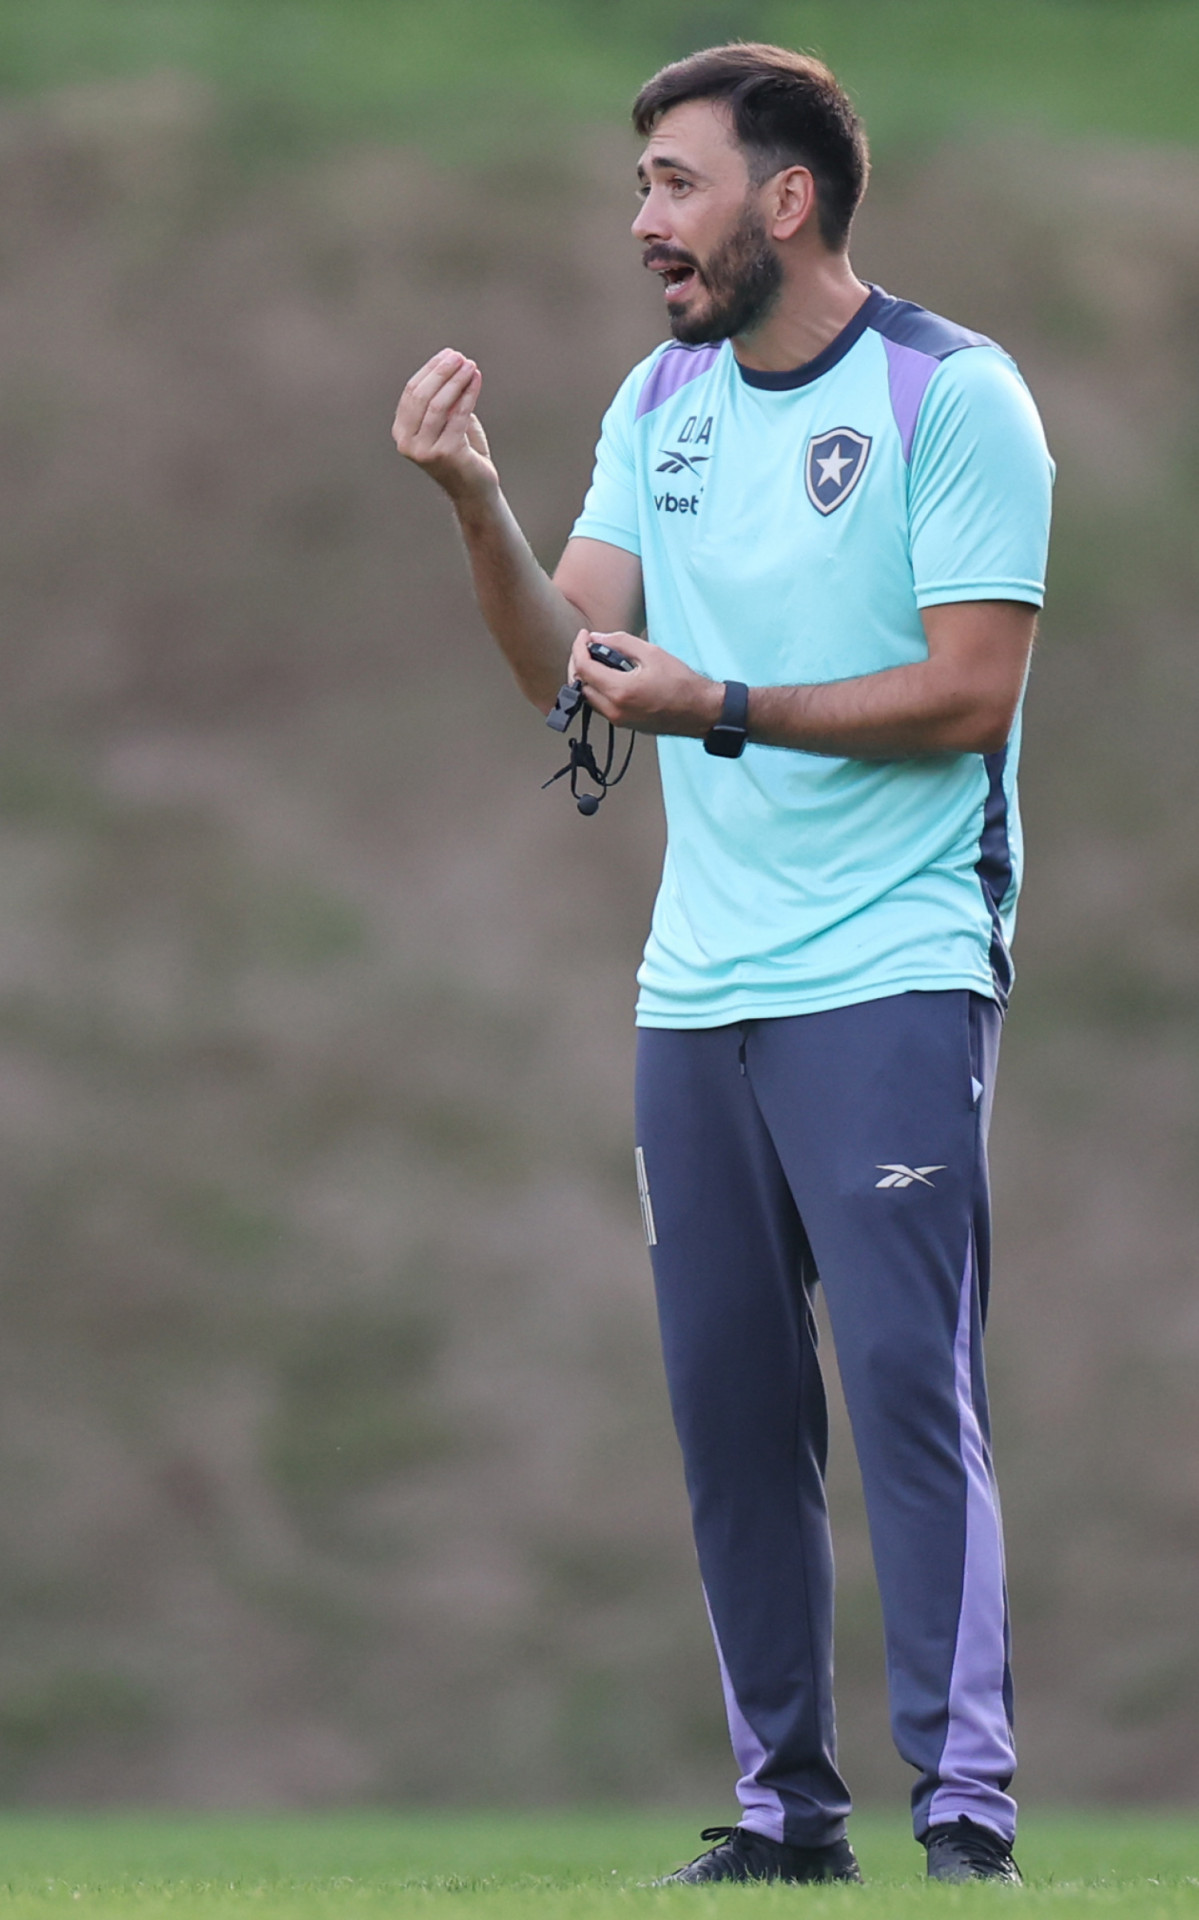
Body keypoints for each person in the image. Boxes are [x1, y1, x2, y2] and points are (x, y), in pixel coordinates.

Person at [392, 41, 1052, 1888]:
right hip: (702, 992)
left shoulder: (955, 396)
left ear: (789, 197)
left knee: (915, 1388)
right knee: (731, 1410)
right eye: (641, 188)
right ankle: (785, 1821)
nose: (643, 225)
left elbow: (969, 690)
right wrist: (475, 504)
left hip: (901, 967)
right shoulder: (661, 398)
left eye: (676, 184)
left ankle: (968, 1814)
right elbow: (566, 665)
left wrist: (727, 705)